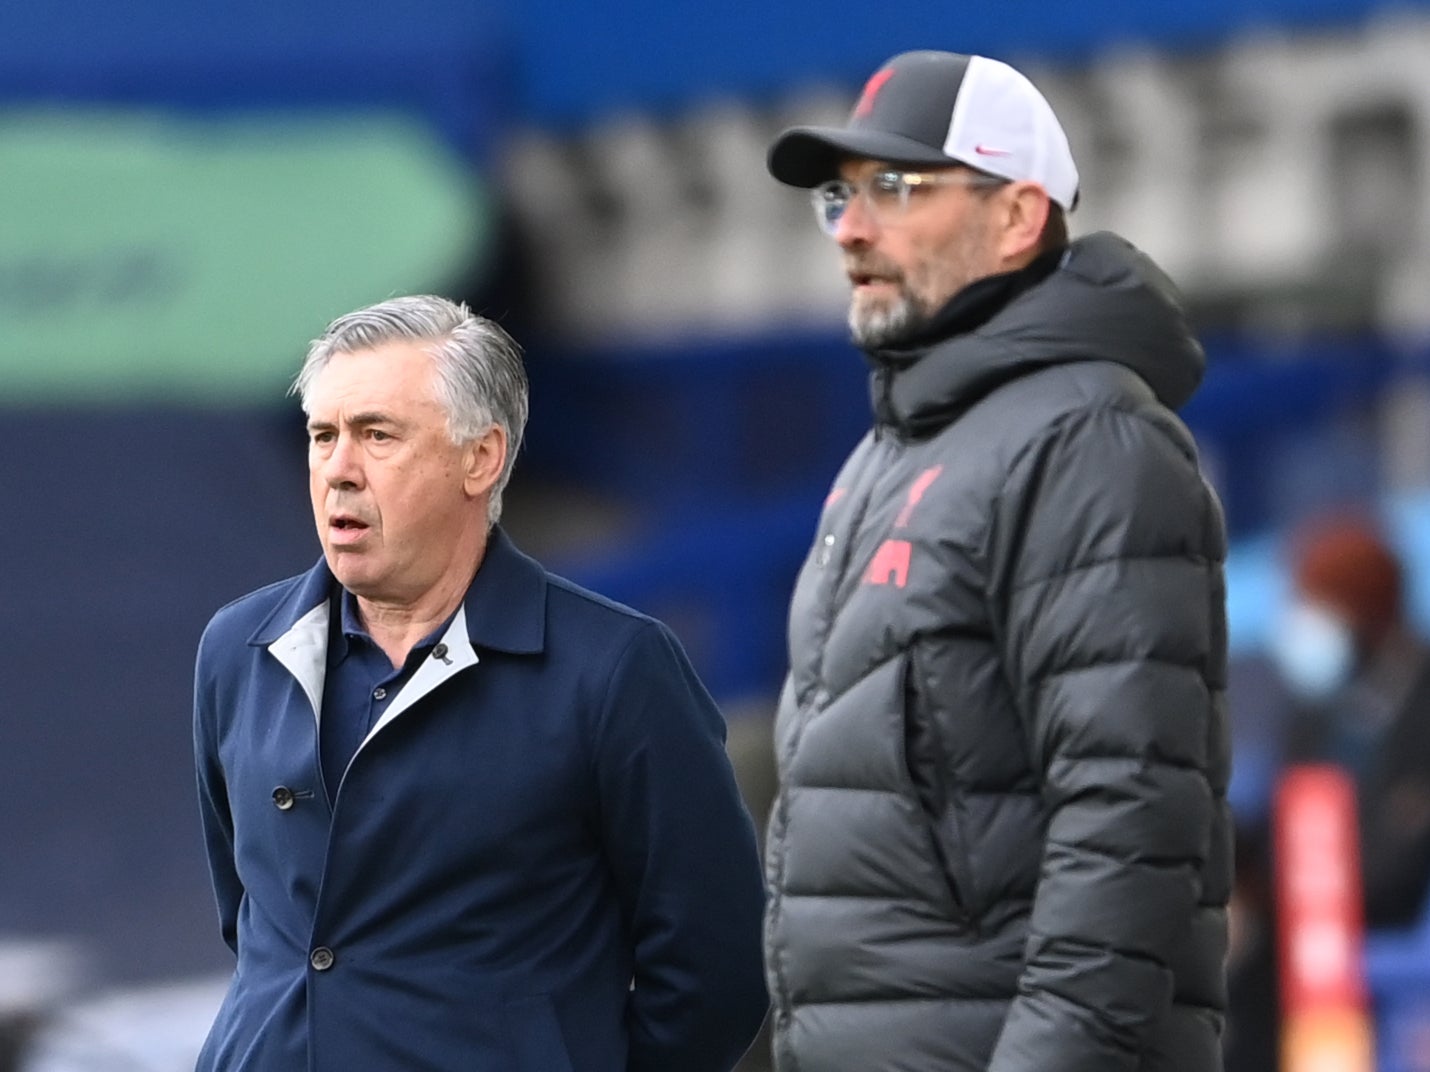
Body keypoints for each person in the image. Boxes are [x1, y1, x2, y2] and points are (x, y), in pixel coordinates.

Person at [760, 51, 1232, 1071]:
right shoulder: (889, 453)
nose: (849, 226)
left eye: (895, 188)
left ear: (1016, 218)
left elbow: (1127, 827)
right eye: (838, 195)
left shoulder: (1088, 442)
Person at [192, 295, 768, 1072]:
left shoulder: (616, 668)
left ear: (481, 457)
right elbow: (254, 923)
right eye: (322, 436)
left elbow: (716, 968)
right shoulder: (238, 649)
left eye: (377, 435)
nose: (338, 471)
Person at [1268, 514, 1430, 929]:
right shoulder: (1310, 712)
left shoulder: (1417, 699)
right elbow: (1286, 823)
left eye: (1322, 609)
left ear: (1368, 613)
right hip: (1313, 932)